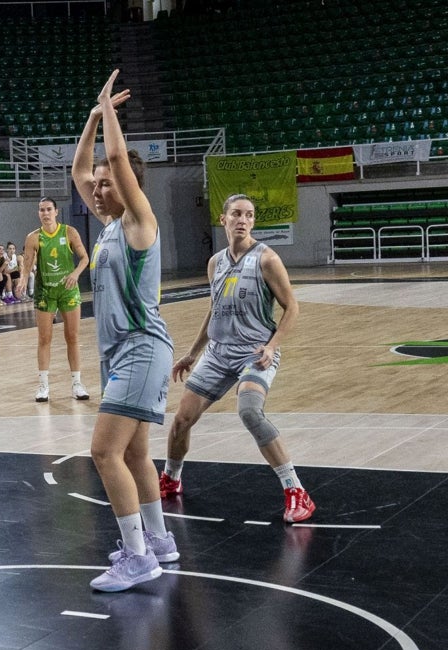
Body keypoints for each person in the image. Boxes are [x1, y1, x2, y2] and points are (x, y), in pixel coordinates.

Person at [72, 70, 179, 592]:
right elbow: (80, 168)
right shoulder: (108, 225)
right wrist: (93, 118)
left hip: (141, 347)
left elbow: (115, 160)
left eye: (107, 182)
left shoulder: (141, 221)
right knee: (135, 454)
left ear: (130, 186)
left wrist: (109, 112)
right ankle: (159, 540)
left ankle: (137, 558)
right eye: (96, 185)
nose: (97, 187)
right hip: (120, 354)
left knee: (103, 452)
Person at [162, 194, 316, 524]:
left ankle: (296, 490)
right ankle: (171, 478)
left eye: (249, 215)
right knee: (180, 420)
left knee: (249, 411)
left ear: (253, 222)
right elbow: (214, 310)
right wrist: (192, 352)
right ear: (224, 219)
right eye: (237, 214)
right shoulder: (215, 263)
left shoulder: (267, 259)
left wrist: (273, 346)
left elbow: (293, 307)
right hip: (218, 353)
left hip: (254, 352)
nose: (243, 220)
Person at [17, 197, 91, 403]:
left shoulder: (69, 232)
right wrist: (23, 280)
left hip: (67, 290)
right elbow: (27, 264)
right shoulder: (33, 237)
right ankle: (43, 386)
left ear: (56, 212)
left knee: (72, 337)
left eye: (49, 209)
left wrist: (75, 273)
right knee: (44, 338)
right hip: (45, 291)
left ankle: (77, 383)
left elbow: (85, 258)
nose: (45, 213)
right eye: (41, 210)